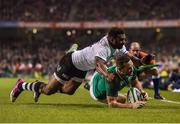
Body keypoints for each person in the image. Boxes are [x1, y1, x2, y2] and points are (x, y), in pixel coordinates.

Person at [10, 28, 142, 103]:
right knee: (48, 91)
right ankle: (21, 85)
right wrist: (107, 75)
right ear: (112, 39)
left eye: (124, 39)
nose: (124, 41)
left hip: (81, 68)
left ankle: (39, 86)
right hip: (70, 63)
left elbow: (129, 55)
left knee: (69, 91)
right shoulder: (103, 48)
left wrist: (141, 61)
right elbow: (98, 64)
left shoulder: (118, 45)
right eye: (121, 39)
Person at [89, 55, 159, 108]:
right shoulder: (113, 79)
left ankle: (122, 93)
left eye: (131, 66)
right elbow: (111, 103)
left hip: (104, 76)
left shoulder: (130, 68)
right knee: (122, 100)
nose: (132, 69)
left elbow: (135, 82)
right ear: (120, 70)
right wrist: (131, 106)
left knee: (123, 98)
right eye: (129, 68)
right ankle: (88, 85)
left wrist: (142, 92)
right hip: (97, 92)